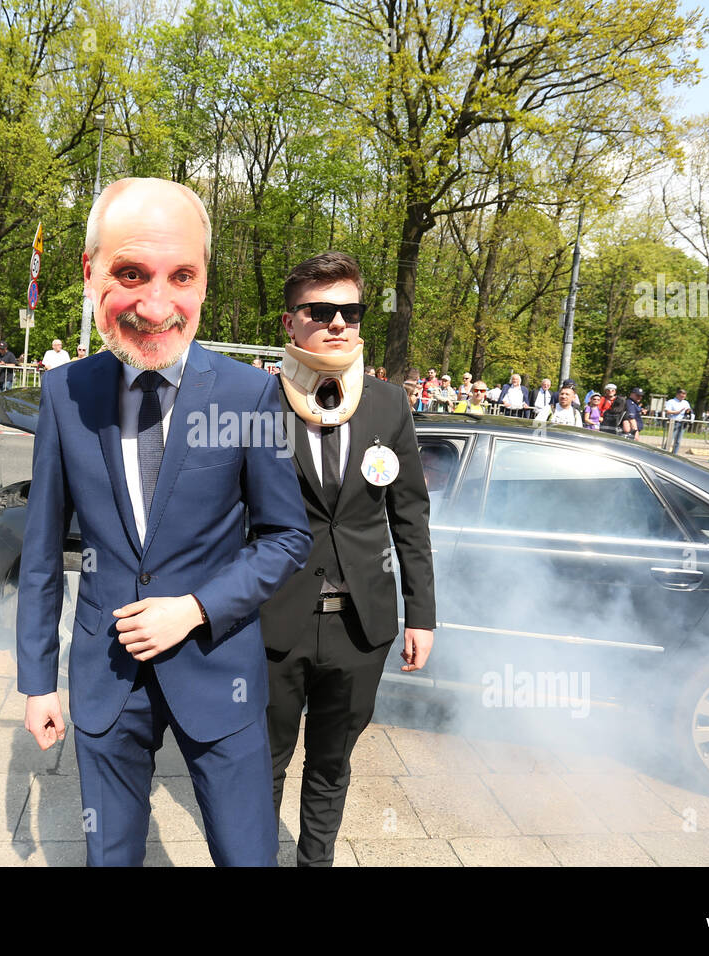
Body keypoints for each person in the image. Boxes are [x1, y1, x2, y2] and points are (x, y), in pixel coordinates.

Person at [16, 177, 311, 867]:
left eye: (181, 275)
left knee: (246, 856)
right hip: (105, 678)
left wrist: (194, 609)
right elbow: (39, 553)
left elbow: (287, 537)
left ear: (205, 280)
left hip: (219, 671)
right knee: (109, 856)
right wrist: (37, 681)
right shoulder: (66, 391)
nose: (156, 305)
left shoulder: (250, 393)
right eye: (129, 273)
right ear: (89, 274)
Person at [263, 251, 434, 867]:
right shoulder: (260, 401)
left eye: (351, 311)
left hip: (362, 626)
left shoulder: (388, 405)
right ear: (290, 323)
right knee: (265, 765)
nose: (338, 323)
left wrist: (422, 615)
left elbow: (410, 516)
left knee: (332, 765)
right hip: (273, 622)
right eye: (321, 310)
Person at [665, 387, 692, 454]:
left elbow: (688, 410)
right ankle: (664, 452)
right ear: (677, 394)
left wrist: (688, 411)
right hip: (673, 422)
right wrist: (676, 412)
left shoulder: (686, 402)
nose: (683, 396)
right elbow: (667, 411)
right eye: (681, 395)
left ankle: (674, 454)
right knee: (670, 439)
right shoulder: (671, 401)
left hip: (682, 422)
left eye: (684, 395)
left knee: (678, 441)